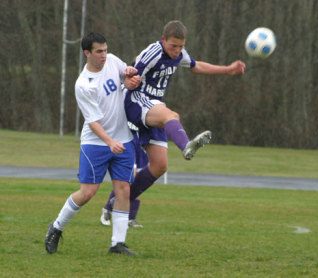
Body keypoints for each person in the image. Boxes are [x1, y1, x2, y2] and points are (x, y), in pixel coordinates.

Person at [125, 20, 246, 202]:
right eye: (173, 46)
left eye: (181, 46)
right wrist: (130, 80)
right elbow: (129, 73)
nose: (176, 51)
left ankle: (115, 203)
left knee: (160, 166)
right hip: (135, 101)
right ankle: (186, 145)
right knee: (172, 116)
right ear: (163, 39)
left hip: (153, 107)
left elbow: (196, 66)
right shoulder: (153, 52)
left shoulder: (179, 54)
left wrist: (227, 70)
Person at [44, 32, 141, 256]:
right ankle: (56, 227)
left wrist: (130, 78)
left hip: (123, 139)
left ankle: (117, 244)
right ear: (87, 53)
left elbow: (126, 78)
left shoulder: (113, 61)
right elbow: (94, 122)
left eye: (105, 50)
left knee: (123, 190)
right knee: (88, 192)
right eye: (99, 51)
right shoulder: (83, 84)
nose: (104, 55)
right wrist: (109, 142)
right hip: (96, 143)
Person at [100, 123, 147, 228]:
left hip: (142, 141)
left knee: (138, 181)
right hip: (128, 140)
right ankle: (108, 209)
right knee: (129, 180)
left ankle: (130, 218)